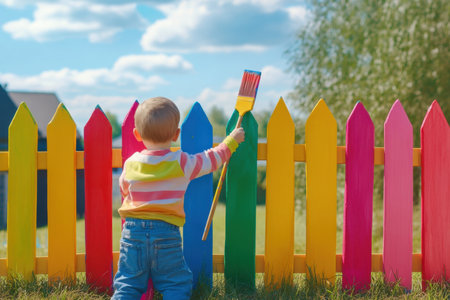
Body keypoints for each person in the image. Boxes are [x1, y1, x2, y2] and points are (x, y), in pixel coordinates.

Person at [112, 97, 245, 299]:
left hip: (132, 233)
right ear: (176, 135)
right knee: (176, 284)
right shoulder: (181, 161)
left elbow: (123, 189)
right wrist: (231, 141)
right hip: (166, 232)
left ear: (137, 135)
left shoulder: (131, 163)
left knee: (128, 285)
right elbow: (211, 159)